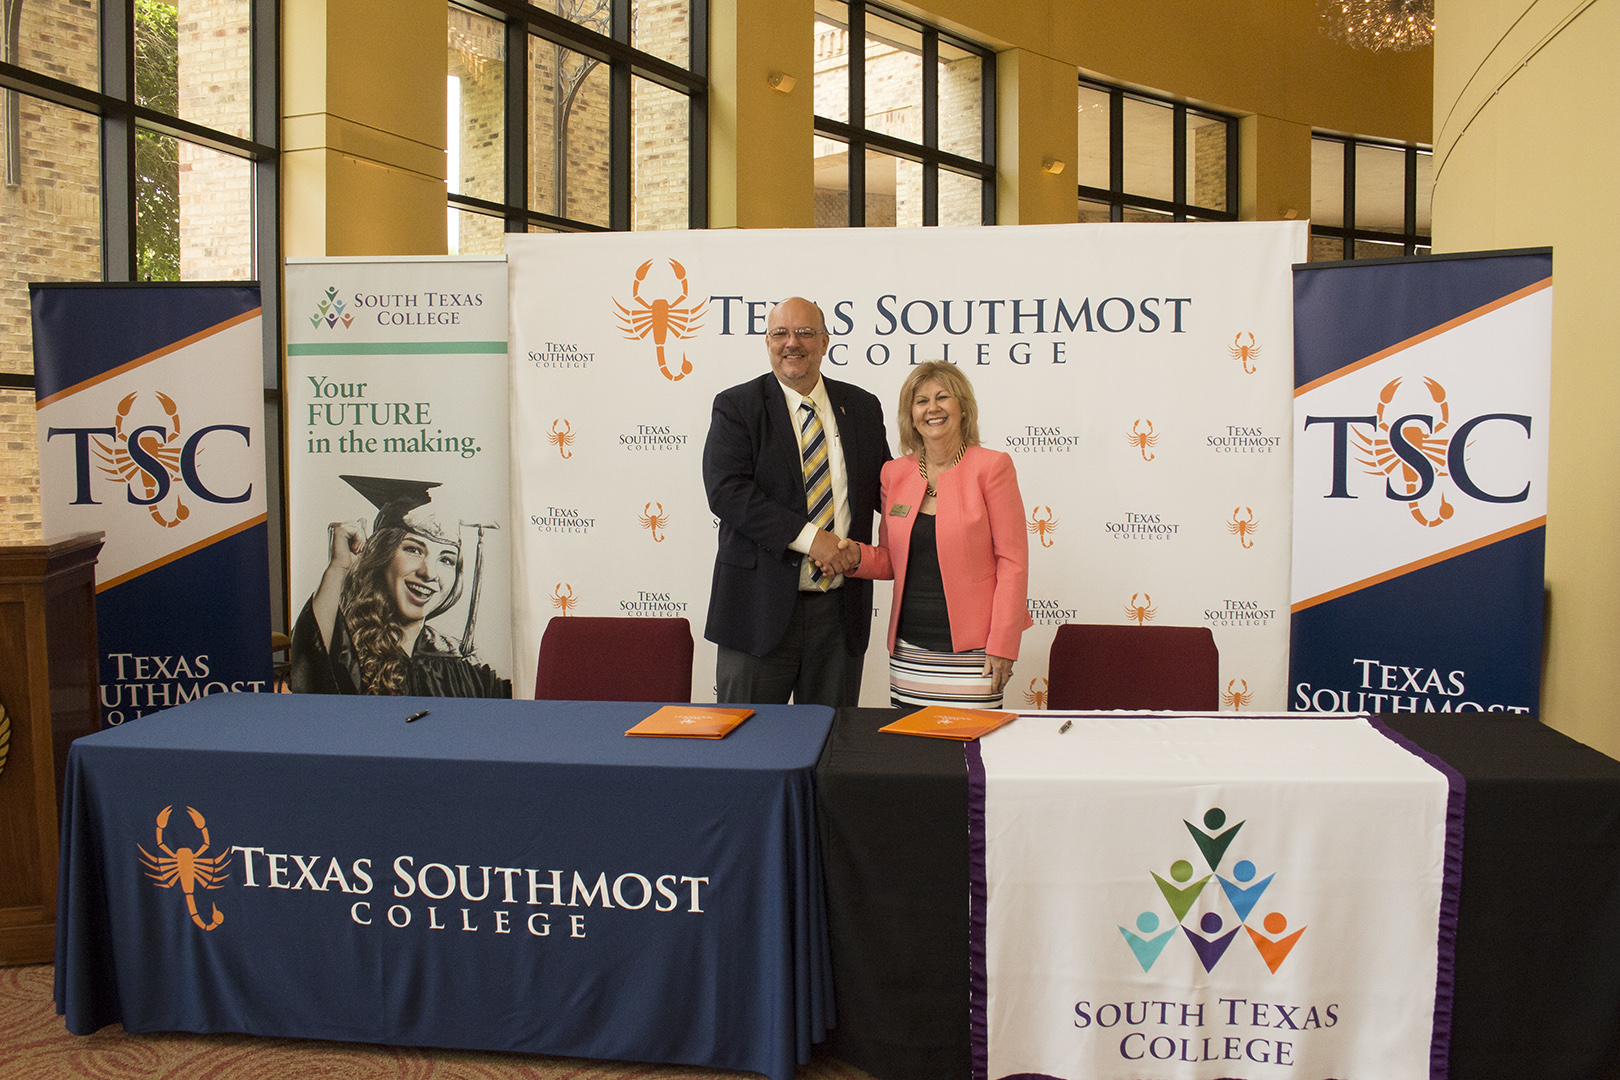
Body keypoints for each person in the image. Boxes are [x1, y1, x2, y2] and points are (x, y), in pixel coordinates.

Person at [702, 297, 889, 706]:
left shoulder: (861, 406)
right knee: (746, 751)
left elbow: (886, 487)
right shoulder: (737, 406)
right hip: (756, 611)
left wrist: (949, 480)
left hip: (839, 616)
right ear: (767, 342)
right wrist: (812, 539)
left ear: (824, 342)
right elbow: (726, 491)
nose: (793, 343)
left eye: (805, 333)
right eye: (781, 333)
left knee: (830, 749)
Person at [839, 362, 1031, 707]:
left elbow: (1013, 562)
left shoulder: (992, 467)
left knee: (970, 755)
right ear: (910, 415)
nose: (933, 408)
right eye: (921, 401)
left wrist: (1003, 644)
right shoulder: (894, 473)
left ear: (962, 408)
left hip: (976, 653)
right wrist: (854, 556)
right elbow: (889, 560)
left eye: (943, 397)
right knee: (913, 755)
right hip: (909, 651)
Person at [290, 474, 510, 697]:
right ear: (381, 555)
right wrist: (339, 569)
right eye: (413, 549)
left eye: (447, 559)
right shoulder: (349, 651)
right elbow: (313, 674)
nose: (429, 573)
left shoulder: (463, 665)